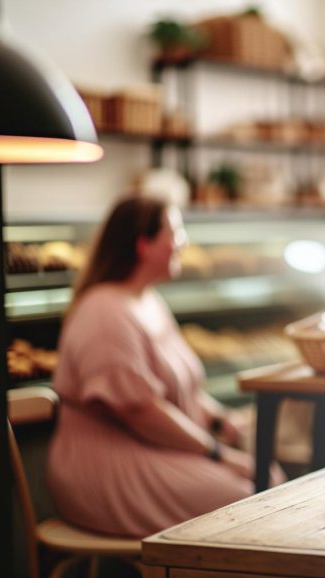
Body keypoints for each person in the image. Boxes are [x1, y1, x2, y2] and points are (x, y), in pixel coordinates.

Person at [47, 196, 257, 538]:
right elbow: (140, 410)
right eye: (175, 233)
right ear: (143, 244)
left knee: (265, 480)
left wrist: (220, 420)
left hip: (154, 449)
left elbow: (182, 386)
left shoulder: (148, 301)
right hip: (108, 469)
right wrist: (217, 453)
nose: (183, 243)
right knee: (251, 499)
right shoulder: (105, 312)